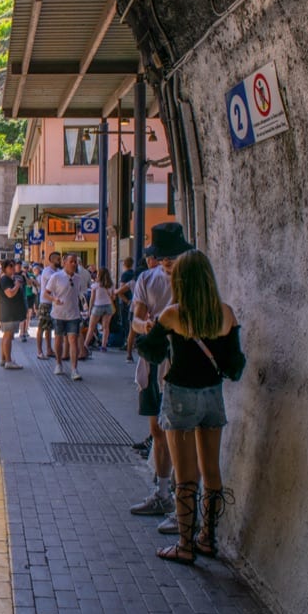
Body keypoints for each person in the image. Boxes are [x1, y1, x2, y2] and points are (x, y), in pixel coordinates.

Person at [135, 249, 245, 565]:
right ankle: (208, 539)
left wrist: (146, 327)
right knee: (211, 469)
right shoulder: (225, 313)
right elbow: (234, 365)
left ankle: (185, 545)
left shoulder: (173, 314)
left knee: (185, 476)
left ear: (182, 281)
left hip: (181, 395)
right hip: (213, 396)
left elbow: (150, 350)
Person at [128, 223, 193, 527]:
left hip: (181, 365)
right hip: (152, 362)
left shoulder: (195, 281)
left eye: (173, 256)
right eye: (162, 256)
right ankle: (163, 493)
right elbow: (136, 321)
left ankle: (182, 508)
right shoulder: (146, 279)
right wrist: (148, 327)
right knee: (157, 430)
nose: (167, 262)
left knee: (177, 434)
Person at [44, 253, 89, 380]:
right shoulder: (56, 277)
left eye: (75, 262)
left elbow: (81, 294)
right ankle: (58, 364)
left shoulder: (78, 278)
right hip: (58, 314)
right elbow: (46, 293)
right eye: (71, 262)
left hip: (73, 314)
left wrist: (85, 307)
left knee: (73, 340)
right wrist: (54, 299)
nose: (74, 264)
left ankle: (74, 369)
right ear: (64, 263)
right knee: (58, 339)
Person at [0, 259, 26, 369]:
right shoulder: (5, 280)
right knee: (8, 336)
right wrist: (17, 285)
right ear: (5, 268)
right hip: (9, 313)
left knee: (6, 336)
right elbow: (9, 294)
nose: (13, 268)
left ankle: (4, 359)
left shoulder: (6, 279)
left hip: (8, 312)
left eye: (14, 266)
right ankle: (8, 361)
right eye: (11, 266)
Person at [36, 252, 61, 359]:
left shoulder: (57, 271)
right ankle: (39, 351)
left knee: (49, 328)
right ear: (52, 260)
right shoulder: (47, 272)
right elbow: (57, 280)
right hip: (45, 303)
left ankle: (49, 350)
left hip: (54, 303)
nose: (60, 261)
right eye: (58, 260)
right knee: (42, 327)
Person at [84, 267, 116, 352]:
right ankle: (103, 346)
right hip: (108, 306)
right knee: (106, 327)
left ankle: (85, 344)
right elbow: (113, 297)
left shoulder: (95, 285)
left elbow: (92, 298)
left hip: (98, 307)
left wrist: (90, 309)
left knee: (91, 327)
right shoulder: (111, 285)